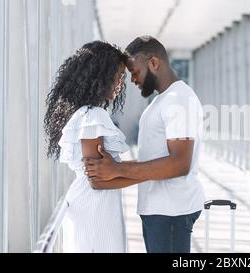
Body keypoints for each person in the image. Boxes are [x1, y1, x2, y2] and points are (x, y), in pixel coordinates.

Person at [83, 35, 206, 253]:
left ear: (154, 63)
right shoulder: (163, 100)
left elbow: (180, 164)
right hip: (161, 211)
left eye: (134, 72)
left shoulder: (179, 99)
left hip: (171, 212)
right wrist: (112, 175)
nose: (132, 80)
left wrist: (117, 169)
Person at [44, 41, 130, 252]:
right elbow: (98, 181)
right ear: (99, 76)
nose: (119, 84)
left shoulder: (85, 113)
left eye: (122, 78)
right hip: (95, 204)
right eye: (116, 76)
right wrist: (155, 171)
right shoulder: (93, 115)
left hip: (93, 201)